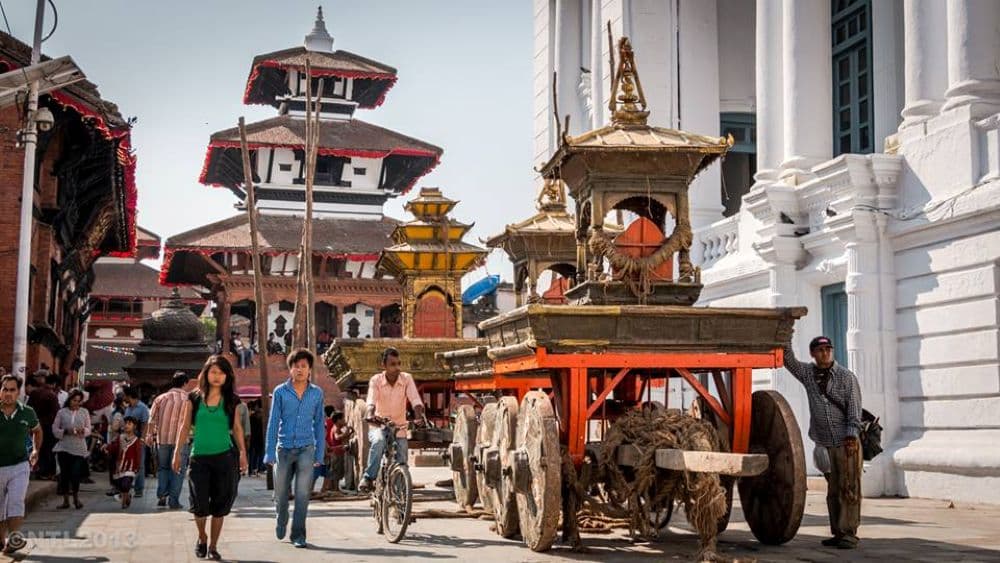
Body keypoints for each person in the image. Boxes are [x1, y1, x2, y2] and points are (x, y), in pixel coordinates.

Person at [784, 335, 863, 549]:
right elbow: (789, 361)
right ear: (812, 354)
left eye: (828, 349)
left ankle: (849, 533)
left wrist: (851, 437)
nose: (825, 352)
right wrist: (786, 334)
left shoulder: (846, 377)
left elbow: (854, 411)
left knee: (849, 489)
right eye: (820, 350)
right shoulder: (808, 374)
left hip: (847, 442)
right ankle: (837, 532)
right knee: (834, 491)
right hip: (825, 444)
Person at [173, 355, 247, 561]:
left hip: (224, 458)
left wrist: (243, 454)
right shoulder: (194, 398)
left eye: (221, 373)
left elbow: (237, 428)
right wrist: (177, 452)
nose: (217, 376)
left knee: (220, 506)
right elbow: (184, 425)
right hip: (199, 459)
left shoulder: (231, 400)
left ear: (227, 376)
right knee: (199, 505)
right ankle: (202, 537)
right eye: (213, 372)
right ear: (206, 373)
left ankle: (213, 546)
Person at [264, 349, 325, 549]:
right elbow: (273, 422)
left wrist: (319, 452)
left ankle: (298, 534)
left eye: (303, 366)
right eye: (295, 366)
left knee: (302, 495)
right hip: (283, 449)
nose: (299, 370)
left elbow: (318, 424)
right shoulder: (281, 392)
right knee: (281, 493)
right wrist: (269, 451)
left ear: (309, 370)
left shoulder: (317, 393)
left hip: (306, 449)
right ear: (290, 369)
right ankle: (281, 517)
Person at [359, 347, 427, 493]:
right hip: (379, 426)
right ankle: (368, 477)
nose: (397, 368)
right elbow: (371, 401)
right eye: (392, 364)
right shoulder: (376, 380)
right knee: (378, 442)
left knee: (402, 459)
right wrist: (370, 414)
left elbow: (415, 400)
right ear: (384, 365)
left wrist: (418, 417)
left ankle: (400, 496)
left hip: (399, 427)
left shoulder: (406, 378)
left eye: (398, 364)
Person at [0, 375, 42, 555]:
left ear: (19, 392)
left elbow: (37, 431)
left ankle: (14, 539)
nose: (8, 393)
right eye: (5, 389)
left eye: (12, 390)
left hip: (19, 465)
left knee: (16, 502)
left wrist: (35, 450)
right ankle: (2, 540)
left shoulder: (28, 412)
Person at [147, 372, 196, 509]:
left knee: (163, 468)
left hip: (162, 440)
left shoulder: (160, 398)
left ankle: (162, 495)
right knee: (178, 469)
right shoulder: (188, 399)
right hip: (181, 441)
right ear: (185, 383)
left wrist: (149, 435)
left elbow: (151, 420)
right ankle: (173, 500)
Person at [52, 389, 91, 510]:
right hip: (64, 447)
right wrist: (65, 431)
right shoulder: (62, 412)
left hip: (79, 448)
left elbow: (89, 429)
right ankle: (65, 500)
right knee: (64, 475)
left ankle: (76, 498)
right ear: (69, 400)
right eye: (74, 400)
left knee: (75, 474)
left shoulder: (84, 412)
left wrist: (83, 431)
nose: (76, 403)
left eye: (79, 401)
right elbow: (54, 429)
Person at [27, 372, 59, 480]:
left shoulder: (34, 393)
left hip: (35, 425)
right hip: (48, 426)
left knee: (36, 447)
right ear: (53, 384)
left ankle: (38, 470)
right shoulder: (52, 395)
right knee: (47, 449)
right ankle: (46, 472)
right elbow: (56, 413)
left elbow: (29, 408)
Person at [106, 416, 142, 509]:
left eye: (129, 424)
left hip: (130, 467)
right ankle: (127, 497)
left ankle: (123, 502)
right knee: (119, 484)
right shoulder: (120, 438)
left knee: (126, 484)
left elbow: (138, 455)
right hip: (119, 466)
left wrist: (137, 467)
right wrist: (107, 447)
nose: (127, 425)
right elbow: (114, 448)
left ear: (134, 426)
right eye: (126, 423)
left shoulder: (136, 440)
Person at [122, 387, 150, 498]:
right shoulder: (128, 408)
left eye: (125, 395)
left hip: (138, 439)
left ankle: (139, 489)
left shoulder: (142, 408)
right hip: (128, 439)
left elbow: (145, 424)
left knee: (139, 465)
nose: (123, 398)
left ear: (129, 396)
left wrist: (142, 439)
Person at [322, 411, 351, 497]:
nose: (344, 420)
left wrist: (349, 433)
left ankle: (335, 488)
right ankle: (335, 488)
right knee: (336, 471)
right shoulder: (336, 428)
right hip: (336, 453)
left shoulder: (337, 427)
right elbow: (337, 437)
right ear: (338, 420)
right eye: (343, 419)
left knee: (338, 471)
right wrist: (346, 432)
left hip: (338, 453)